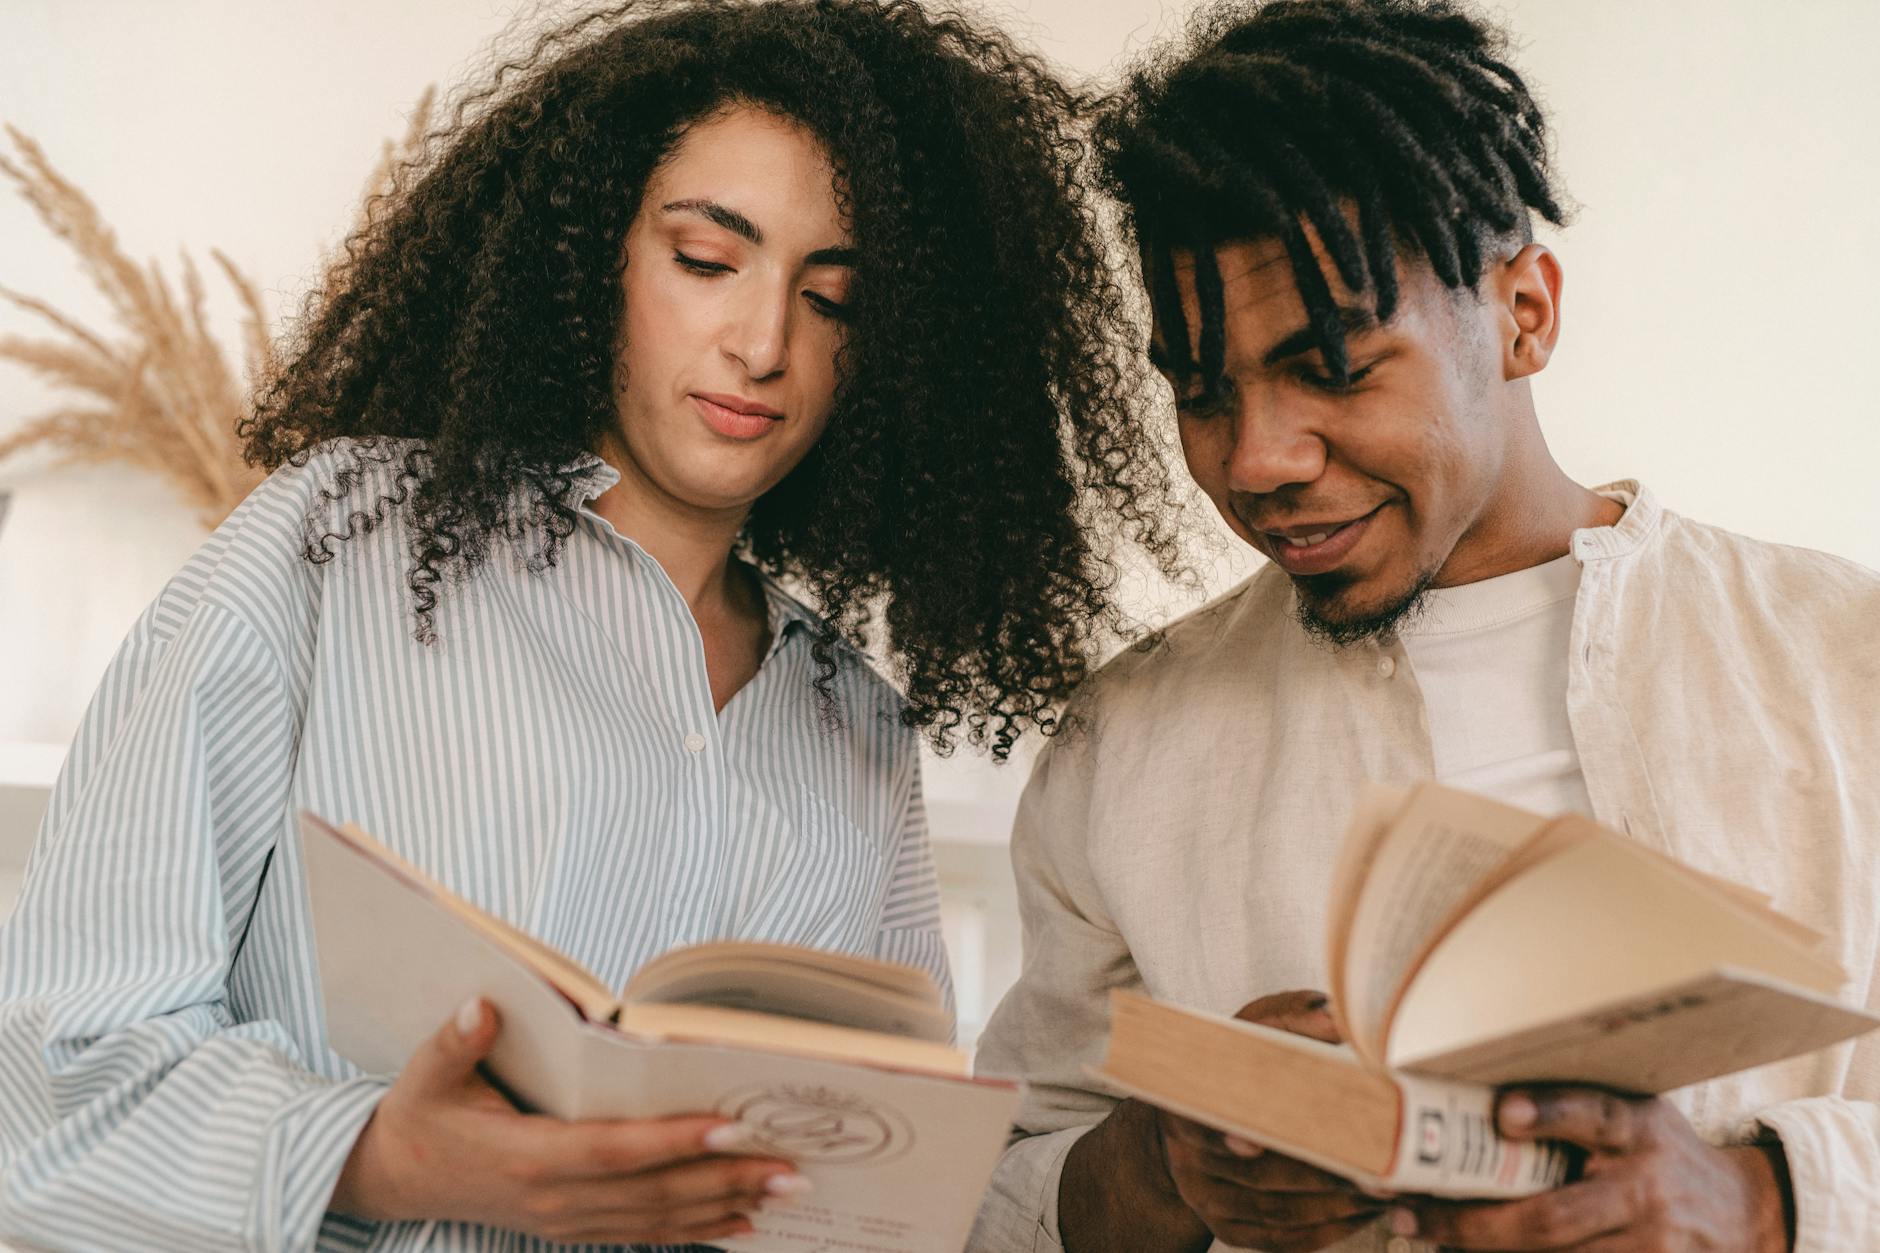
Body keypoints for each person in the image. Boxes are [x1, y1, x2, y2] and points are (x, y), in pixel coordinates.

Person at [0, 2, 1180, 1249]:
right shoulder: (332, 544)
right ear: (589, 255)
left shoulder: (853, 728)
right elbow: (45, 1087)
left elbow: (871, 1198)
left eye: (830, 298)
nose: (762, 341)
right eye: (706, 260)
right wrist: (373, 1151)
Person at [969, 2, 1879, 1251]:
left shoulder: (1843, 656)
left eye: (1332, 367)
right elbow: (991, 1194)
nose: (1257, 458)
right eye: (1199, 390)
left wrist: (1764, 1196)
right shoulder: (1122, 746)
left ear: (1523, 313)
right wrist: (1159, 1166)